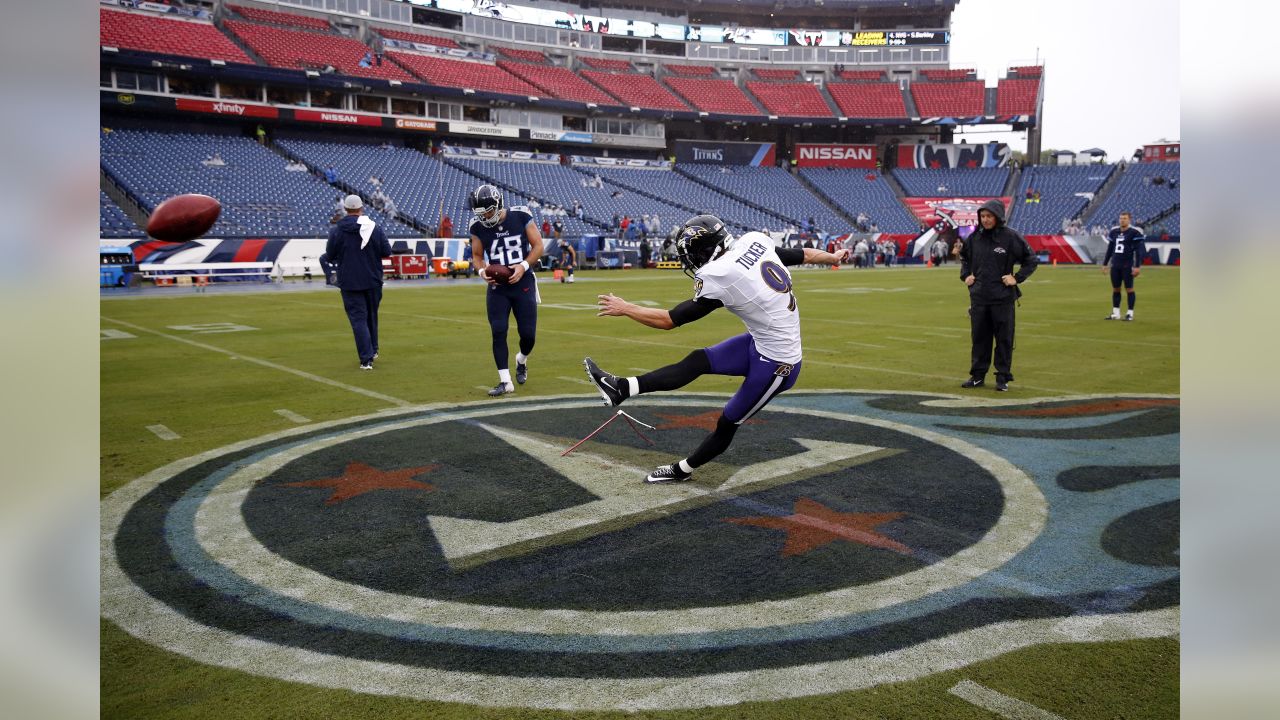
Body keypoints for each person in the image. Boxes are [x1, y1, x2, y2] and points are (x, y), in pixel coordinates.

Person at [584, 215, 850, 483]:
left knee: (727, 423)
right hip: (759, 342)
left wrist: (626, 308)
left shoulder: (722, 274)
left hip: (778, 364)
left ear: (707, 248)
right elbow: (801, 254)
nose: (691, 260)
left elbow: (668, 320)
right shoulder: (753, 241)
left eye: (693, 253)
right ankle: (620, 388)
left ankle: (682, 470)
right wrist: (833, 258)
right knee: (698, 361)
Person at [469, 184, 544, 397]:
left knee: (528, 335)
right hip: (497, 286)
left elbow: (538, 246)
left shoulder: (520, 215)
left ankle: (521, 359)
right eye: (480, 214)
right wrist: (483, 271)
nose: (485, 217)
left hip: (523, 283)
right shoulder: (477, 225)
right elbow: (476, 255)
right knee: (498, 330)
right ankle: (505, 381)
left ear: (499, 204)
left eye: (488, 212)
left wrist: (523, 266)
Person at [959, 199, 1038, 392]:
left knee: (1004, 340)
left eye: (989, 216)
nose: (985, 220)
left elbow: (1031, 260)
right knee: (979, 339)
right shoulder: (974, 238)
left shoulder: (1010, 237)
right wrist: (966, 275)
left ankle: (1002, 377)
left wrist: (1016, 278)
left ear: (998, 217)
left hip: (1002, 298)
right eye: (983, 216)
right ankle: (977, 376)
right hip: (979, 298)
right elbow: (964, 258)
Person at [326, 195, 391, 370]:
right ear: (362, 208)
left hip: (349, 281)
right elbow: (386, 251)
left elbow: (330, 255)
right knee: (371, 315)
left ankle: (366, 358)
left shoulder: (337, 230)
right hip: (373, 279)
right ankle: (373, 349)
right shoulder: (374, 228)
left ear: (346, 209)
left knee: (358, 319)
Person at [1102, 211, 1146, 321]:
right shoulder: (1114, 231)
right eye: (1121, 218)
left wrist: (1137, 266)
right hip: (1115, 264)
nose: (1122, 220)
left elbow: (1138, 251)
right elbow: (1110, 249)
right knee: (1116, 289)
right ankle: (1116, 313)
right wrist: (1105, 263)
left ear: (1129, 219)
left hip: (1127, 265)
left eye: (1125, 218)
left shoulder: (1134, 232)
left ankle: (1130, 313)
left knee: (1129, 289)